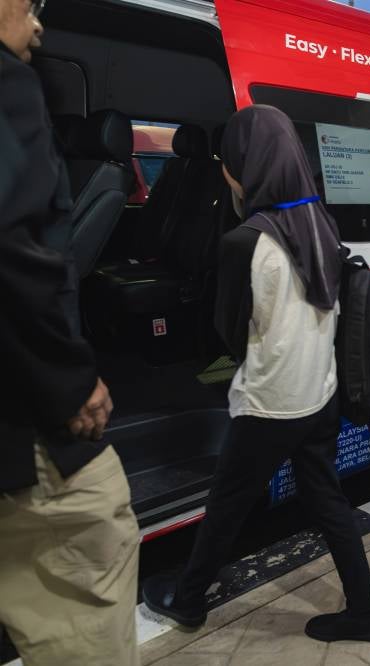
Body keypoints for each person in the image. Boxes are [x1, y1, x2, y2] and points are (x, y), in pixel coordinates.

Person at [142, 105, 370, 643]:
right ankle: (366, 612)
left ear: (247, 168)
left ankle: (188, 601)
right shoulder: (321, 223)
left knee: (228, 503)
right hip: (319, 394)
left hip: (271, 402)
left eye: (229, 163)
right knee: (328, 501)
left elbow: (229, 335)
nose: (227, 173)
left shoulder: (244, 241)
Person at [0, 2, 140, 664]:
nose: (37, 26)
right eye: (30, 6)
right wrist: (70, 381)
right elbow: (10, 251)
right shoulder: (8, 85)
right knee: (93, 570)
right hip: (26, 423)